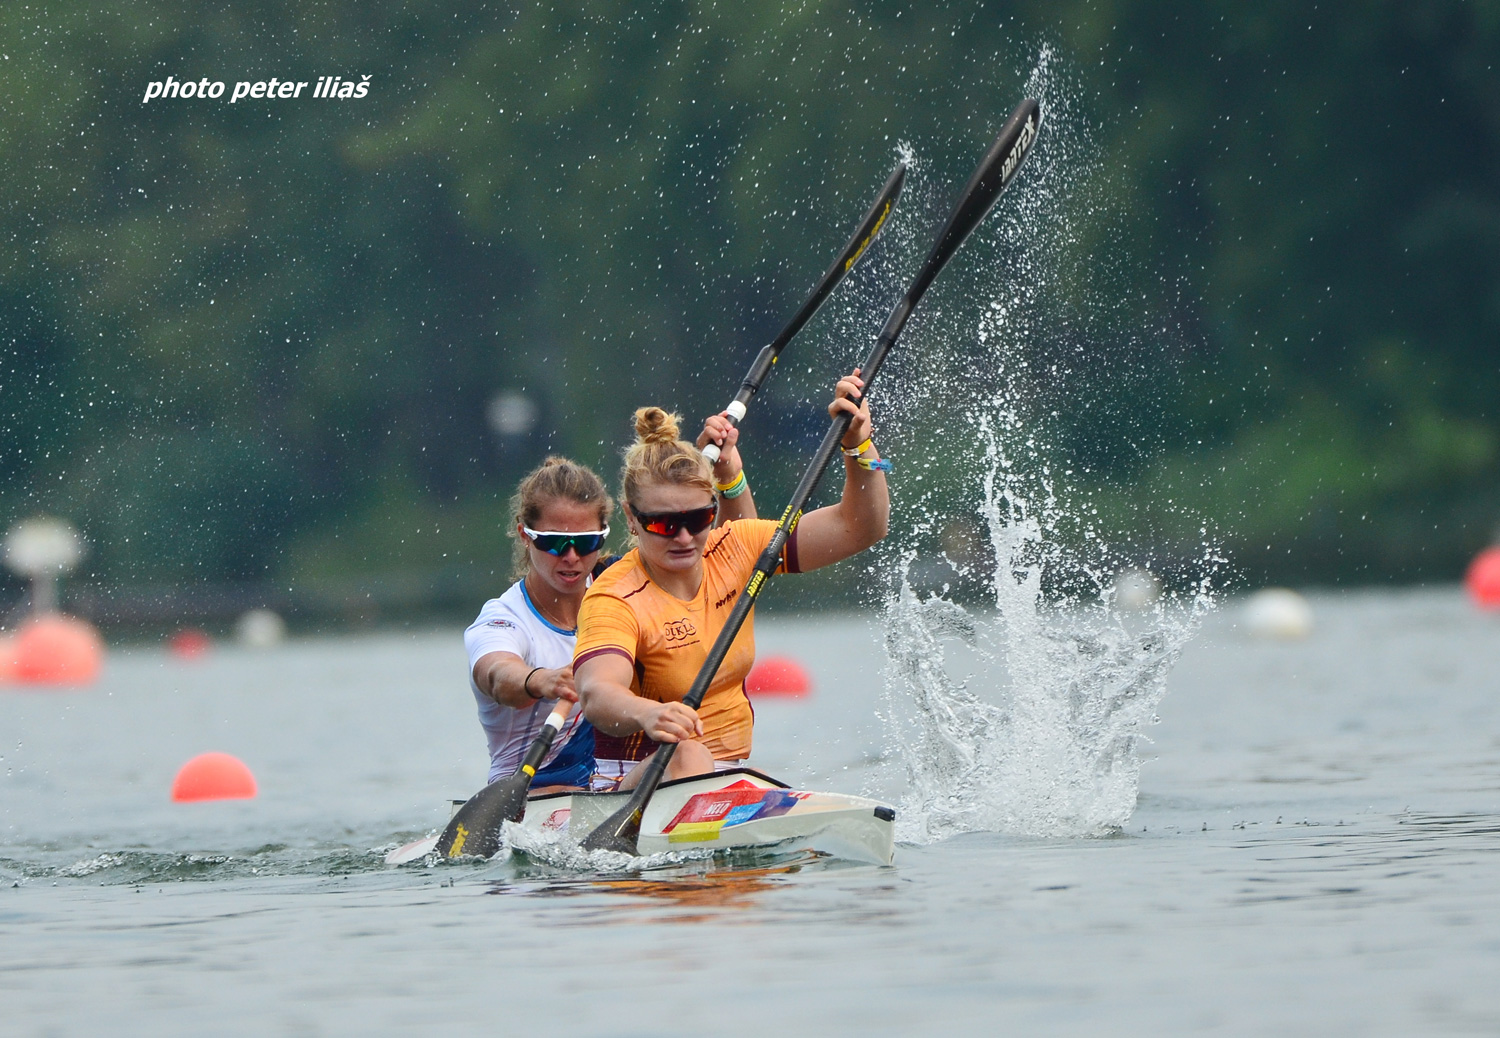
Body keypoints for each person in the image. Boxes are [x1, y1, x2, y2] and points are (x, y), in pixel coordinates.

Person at [573, 369, 889, 788]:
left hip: (728, 774)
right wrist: (650, 714)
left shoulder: (736, 546)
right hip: (634, 782)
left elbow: (860, 528)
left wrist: (857, 444)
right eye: (665, 524)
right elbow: (597, 694)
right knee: (688, 750)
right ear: (632, 518)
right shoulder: (615, 597)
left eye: (698, 518)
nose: (685, 537)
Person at [465, 416, 758, 795]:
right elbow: (496, 676)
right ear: (525, 535)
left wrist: (725, 474)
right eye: (554, 543)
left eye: (586, 542)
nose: (571, 557)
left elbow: (734, 554)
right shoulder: (504, 619)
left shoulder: (621, 589)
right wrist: (541, 680)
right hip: (540, 787)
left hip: (614, 779)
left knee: (686, 755)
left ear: (606, 534)